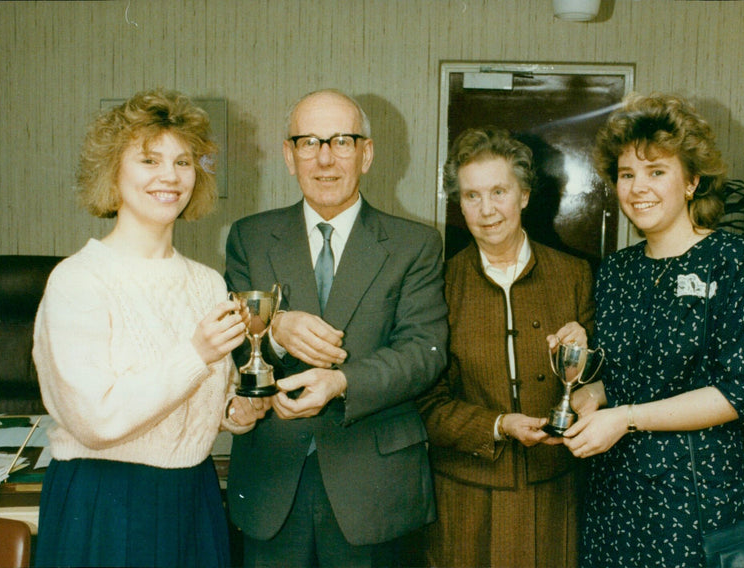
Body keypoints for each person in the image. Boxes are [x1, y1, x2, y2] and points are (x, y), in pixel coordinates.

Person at [32, 88, 266, 567]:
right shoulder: (78, 279)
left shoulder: (207, 283)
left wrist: (230, 411)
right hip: (106, 503)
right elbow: (97, 421)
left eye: (184, 162)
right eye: (149, 160)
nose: (170, 176)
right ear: (112, 173)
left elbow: (185, 403)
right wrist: (195, 355)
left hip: (193, 497)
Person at [224, 89, 448, 567]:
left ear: (366, 154)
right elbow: (233, 344)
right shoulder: (249, 236)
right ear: (289, 155)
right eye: (309, 142)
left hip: (373, 485)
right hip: (271, 482)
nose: (325, 158)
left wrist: (341, 381)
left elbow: (422, 352)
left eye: (342, 141)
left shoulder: (416, 244)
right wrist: (276, 327)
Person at [563, 93, 744, 567]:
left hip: (691, 497)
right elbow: (622, 377)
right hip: (611, 493)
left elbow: (737, 392)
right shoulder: (618, 270)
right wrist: (591, 395)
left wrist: (624, 418)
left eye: (656, 171)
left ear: (692, 181)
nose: (638, 188)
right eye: (626, 175)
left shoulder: (736, 262)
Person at [416, 127, 594, 568]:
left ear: (525, 195)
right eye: (472, 196)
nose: (487, 209)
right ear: (458, 204)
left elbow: (601, 382)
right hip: (464, 499)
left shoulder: (575, 276)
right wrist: (498, 425)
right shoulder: (435, 285)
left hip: (556, 497)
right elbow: (425, 404)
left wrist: (587, 360)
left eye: (499, 191)